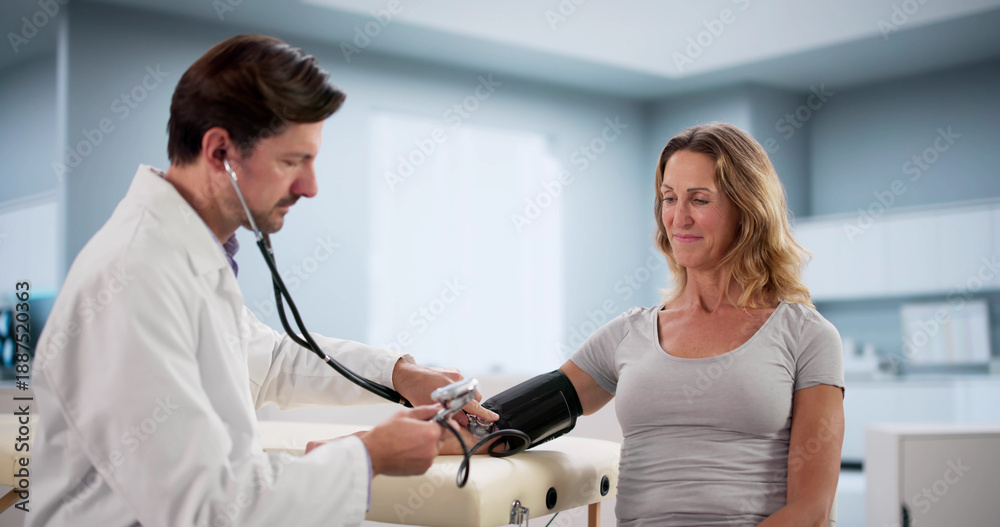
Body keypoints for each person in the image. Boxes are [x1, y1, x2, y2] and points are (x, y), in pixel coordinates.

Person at [28, 34, 497, 527]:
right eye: (292, 162)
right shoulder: (135, 277)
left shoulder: (189, 255)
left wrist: (398, 374)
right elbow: (203, 509)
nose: (310, 187)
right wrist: (368, 456)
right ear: (219, 152)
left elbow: (270, 362)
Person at [560, 123, 844, 526]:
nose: (679, 218)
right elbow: (518, 419)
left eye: (699, 200)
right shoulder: (629, 333)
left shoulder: (807, 336)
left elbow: (811, 511)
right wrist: (470, 422)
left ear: (747, 210)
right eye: (669, 198)